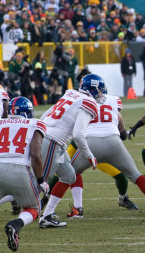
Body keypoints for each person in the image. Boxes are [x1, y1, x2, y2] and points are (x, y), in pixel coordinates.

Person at [55, 93, 145, 221]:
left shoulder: (82, 103)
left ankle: (77, 209)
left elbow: (75, 131)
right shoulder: (113, 100)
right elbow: (123, 133)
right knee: (136, 175)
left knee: (72, 172)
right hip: (114, 143)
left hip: (90, 144)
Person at [0, 96, 49, 251]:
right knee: (34, 209)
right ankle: (15, 224)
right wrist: (41, 180)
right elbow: (36, 155)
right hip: (20, 172)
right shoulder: (35, 124)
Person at [38, 74, 105, 228]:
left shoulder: (71, 93)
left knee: (69, 176)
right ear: (93, 90)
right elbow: (78, 135)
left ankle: (47, 215)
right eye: (100, 91)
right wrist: (89, 155)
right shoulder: (89, 103)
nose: (101, 94)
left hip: (54, 141)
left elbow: (46, 114)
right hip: (52, 141)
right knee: (37, 183)